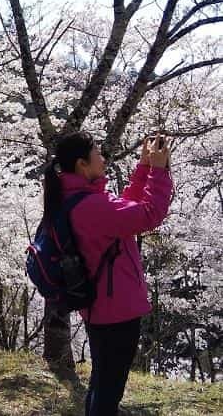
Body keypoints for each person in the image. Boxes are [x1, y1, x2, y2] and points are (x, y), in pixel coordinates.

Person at [43, 131, 172, 416]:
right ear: (82, 165)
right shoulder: (90, 206)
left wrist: (145, 168)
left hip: (101, 306)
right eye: (97, 153)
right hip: (116, 309)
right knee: (109, 387)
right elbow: (149, 213)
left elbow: (124, 210)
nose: (103, 158)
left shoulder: (76, 199)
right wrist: (159, 171)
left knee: (103, 381)